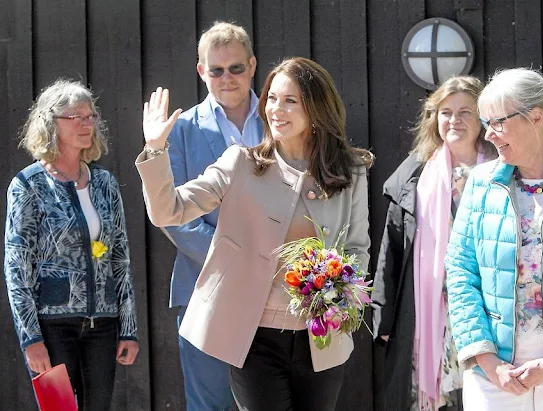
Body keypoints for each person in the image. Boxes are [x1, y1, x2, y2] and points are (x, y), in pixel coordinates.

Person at [136, 57, 374, 410]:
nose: (276, 109)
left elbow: (357, 248)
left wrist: (341, 297)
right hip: (254, 338)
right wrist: (155, 150)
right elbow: (168, 210)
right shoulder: (241, 163)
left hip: (322, 338)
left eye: (290, 100)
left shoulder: (349, 171)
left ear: (317, 108)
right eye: (272, 98)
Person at [445, 68, 543, 410]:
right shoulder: (480, 184)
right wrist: (486, 360)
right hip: (495, 378)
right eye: (486, 124)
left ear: (537, 117)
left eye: (497, 123)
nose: (489, 135)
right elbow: (459, 272)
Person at [4, 79, 138, 410]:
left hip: (102, 327)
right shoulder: (28, 185)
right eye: (75, 116)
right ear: (51, 123)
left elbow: (118, 257)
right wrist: (31, 338)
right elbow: (16, 266)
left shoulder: (104, 183)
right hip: (51, 327)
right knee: (57, 408)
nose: (86, 123)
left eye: (90, 116)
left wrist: (129, 329)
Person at [371, 76, 496, 411]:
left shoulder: (504, 172)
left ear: (483, 118)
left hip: (489, 312)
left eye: (465, 112)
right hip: (427, 316)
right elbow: (391, 252)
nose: (454, 120)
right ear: (434, 118)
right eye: (445, 112)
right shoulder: (413, 177)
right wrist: (384, 320)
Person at [162, 21, 263, 411]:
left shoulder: (280, 120)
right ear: (202, 71)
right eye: (216, 70)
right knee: (211, 405)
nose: (227, 78)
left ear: (252, 66)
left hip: (278, 290)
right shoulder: (181, 129)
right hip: (207, 287)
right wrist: (236, 261)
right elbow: (174, 216)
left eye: (236, 68)